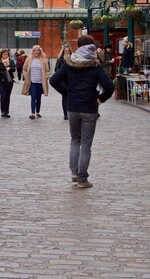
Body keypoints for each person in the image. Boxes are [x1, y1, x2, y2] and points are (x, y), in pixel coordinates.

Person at [49, 34, 115, 189]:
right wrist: (101, 98)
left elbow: (53, 80)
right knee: (85, 144)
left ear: (78, 46)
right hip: (89, 107)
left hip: (72, 107)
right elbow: (110, 87)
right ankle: (82, 178)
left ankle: (74, 172)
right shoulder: (96, 66)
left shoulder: (69, 64)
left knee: (75, 140)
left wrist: (67, 92)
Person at [21, 45, 50, 119]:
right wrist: (25, 75)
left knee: (39, 98)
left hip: (40, 81)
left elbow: (47, 70)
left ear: (40, 51)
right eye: (35, 50)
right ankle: (32, 113)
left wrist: (46, 76)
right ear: (32, 51)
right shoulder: (29, 59)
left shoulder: (44, 60)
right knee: (33, 97)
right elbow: (24, 68)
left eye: (38, 50)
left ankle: (38, 111)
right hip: (32, 81)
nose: (36, 52)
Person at [0, 49, 15, 118]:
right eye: (4, 54)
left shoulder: (10, 61)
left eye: (7, 54)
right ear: (1, 55)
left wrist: (9, 68)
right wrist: (4, 71)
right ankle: (3, 111)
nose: (5, 56)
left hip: (9, 81)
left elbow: (14, 68)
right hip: (1, 81)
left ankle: (7, 111)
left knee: (7, 96)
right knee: (3, 95)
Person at [56, 43, 73, 119]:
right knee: (65, 97)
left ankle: (71, 112)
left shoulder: (73, 58)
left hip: (72, 80)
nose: (67, 52)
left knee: (72, 97)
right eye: (65, 51)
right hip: (63, 80)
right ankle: (65, 114)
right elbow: (56, 69)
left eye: (68, 51)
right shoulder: (60, 59)